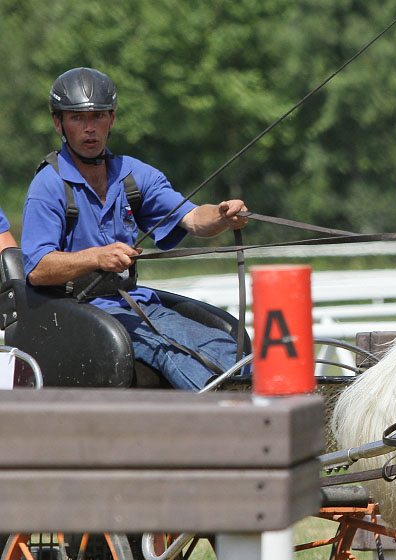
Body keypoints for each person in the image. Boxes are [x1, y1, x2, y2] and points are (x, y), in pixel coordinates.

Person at [21, 67, 249, 390]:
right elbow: (37, 269)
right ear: (59, 123)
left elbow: (194, 218)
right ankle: (227, 415)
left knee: (227, 344)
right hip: (76, 314)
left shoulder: (133, 175)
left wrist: (224, 215)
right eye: (77, 119)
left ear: (111, 120)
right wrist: (97, 258)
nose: (89, 129)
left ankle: (251, 402)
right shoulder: (48, 185)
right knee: (173, 350)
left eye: (98, 116)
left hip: (133, 304)